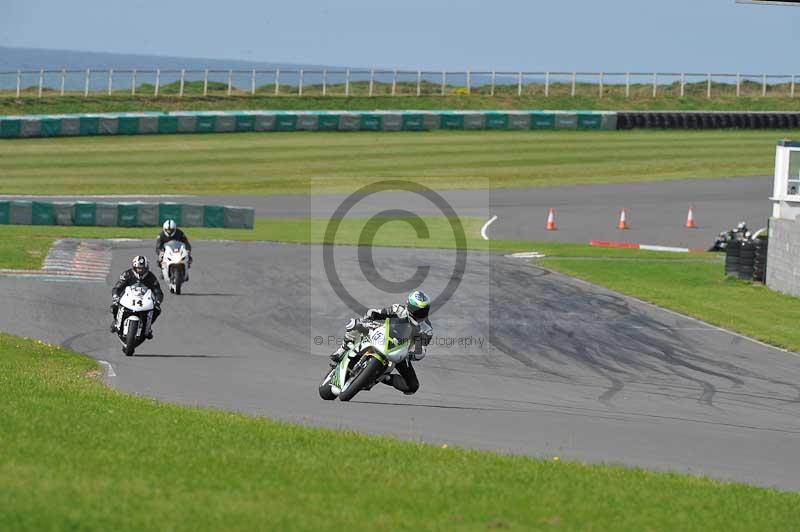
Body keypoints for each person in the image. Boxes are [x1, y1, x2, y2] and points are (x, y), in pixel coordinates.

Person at [329, 290, 433, 395]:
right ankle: (342, 349)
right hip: (382, 335)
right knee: (354, 324)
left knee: (412, 386)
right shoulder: (398, 309)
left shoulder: (426, 329)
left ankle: (384, 377)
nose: (421, 314)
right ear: (409, 305)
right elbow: (377, 313)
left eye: (424, 310)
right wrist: (371, 316)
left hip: (399, 351)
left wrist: (410, 355)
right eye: (418, 310)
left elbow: (421, 351)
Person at [110, 255, 164, 338]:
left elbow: (158, 291)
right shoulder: (127, 274)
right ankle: (116, 322)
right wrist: (115, 297)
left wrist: (157, 301)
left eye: (143, 268)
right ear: (134, 267)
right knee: (114, 307)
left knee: (157, 310)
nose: (140, 270)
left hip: (143, 300)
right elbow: (117, 287)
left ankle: (147, 328)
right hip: (128, 298)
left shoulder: (151, 277)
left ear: (147, 268)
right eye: (138, 268)